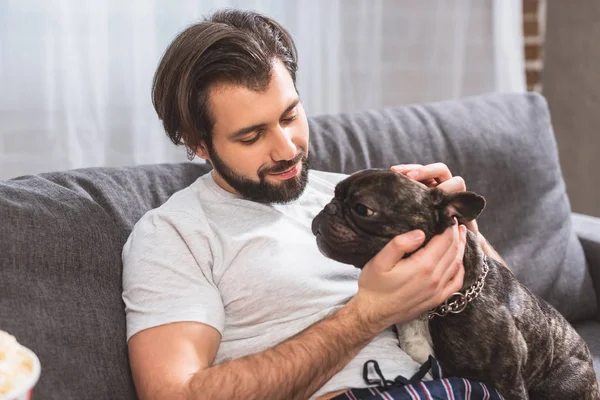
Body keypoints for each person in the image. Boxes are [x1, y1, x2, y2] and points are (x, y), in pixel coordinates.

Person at [122, 8, 505, 400]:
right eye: (252, 137)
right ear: (198, 143)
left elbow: (513, 311)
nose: (287, 149)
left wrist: (457, 230)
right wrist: (367, 315)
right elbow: (175, 394)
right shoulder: (175, 234)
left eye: (289, 116)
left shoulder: (356, 196)